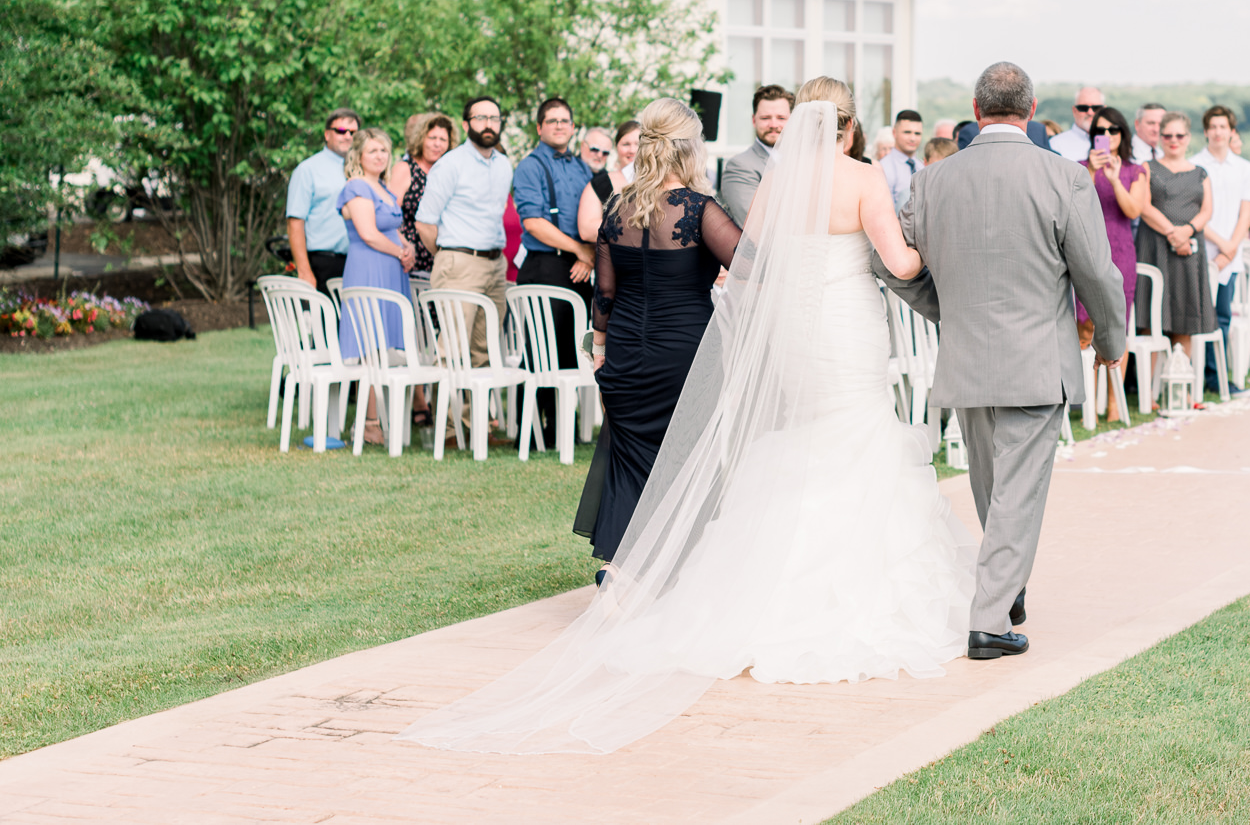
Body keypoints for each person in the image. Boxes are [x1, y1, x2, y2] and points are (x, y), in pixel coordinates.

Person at [407, 80, 974, 756]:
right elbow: (877, 261)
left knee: (764, 442)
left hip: (726, 345)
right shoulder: (853, 181)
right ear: (850, 130)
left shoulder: (740, 190)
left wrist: (609, 339)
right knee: (845, 432)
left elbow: (679, 277)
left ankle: (675, 576)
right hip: (810, 331)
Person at [878, 60, 1127, 662]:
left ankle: (1004, 588)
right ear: (1033, 110)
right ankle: (990, 619)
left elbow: (893, 262)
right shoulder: (1062, 176)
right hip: (1038, 358)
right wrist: (1112, 343)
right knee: (1015, 490)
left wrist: (945, 308)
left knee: (993, 484)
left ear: (976, 106)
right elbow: (1097, 271)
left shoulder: (934, 180)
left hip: (966, 356)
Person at [581, 98, 743, 564]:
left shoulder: (616, 208)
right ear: (689, 151)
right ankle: (675, 565)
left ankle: (621, 566)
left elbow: (604, 292)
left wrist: (601, 347)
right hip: (684, 355)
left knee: (631, 460)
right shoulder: (699, 210)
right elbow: (752, 265)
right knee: (685, 458)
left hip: (627, 351)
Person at [416, 97, 515, 376]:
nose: (488, 124)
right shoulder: (450, 164)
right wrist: (448, 256)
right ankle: (448, 422)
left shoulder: (504, 165)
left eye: (494, 119)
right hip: (459, 264)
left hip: (495, 266)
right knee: (453, 351)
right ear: (466, 123)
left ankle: (473, 421)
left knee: (484, 351)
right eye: (480, 118)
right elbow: (424, 223)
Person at [336, 127, 414, 446]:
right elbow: (368, 233)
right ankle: (367, 424)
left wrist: (406, 249)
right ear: (358, 156)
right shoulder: (356, 186)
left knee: (382, 349)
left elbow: (394, 228)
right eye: (372, 151)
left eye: (383, 150)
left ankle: (379, 420)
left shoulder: (381, 186)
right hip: (369, 270)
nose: (380, 156)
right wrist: (399, 251)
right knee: (370, 349)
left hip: (391, 270)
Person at [1074, 107, 1148, 421]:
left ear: (1123, 134)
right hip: (1084, 251)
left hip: (1119, 252)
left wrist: (1116, 180)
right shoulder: (1077, 168)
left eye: (1113, 130)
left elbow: (1133, 211)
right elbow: (1073, 204)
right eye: (1100, 131)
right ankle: (1087, 401)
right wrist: (1091, 171)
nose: (1106, 136)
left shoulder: (1136, 170)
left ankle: (1115, 403)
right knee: (1082, 325)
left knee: (1117, 327)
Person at [514, 97, 596, 370]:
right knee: (541, 358)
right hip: (544, 266)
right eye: (552, 121)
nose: (559, 126)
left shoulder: (582, 167)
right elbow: (534, 223)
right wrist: (579, 249)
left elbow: (595, 217)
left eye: (564, 121)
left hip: (579, 268)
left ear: (573, 128)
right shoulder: (530, 166)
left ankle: (565, 414)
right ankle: (532, 414)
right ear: (539, 128)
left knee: (573, 356)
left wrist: (588, 256)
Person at [1137, 112, 1213, 394]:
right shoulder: (1147, 168)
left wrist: (1187, 231)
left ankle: (1179, 387)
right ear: (1160, 137)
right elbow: (1143, 206)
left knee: (1185, 318)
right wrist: (1173, 232)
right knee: (1152, 320)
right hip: (1155, 248)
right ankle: (1149, 392)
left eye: (1179, 135)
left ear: (1188, 138)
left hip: (1188, 252)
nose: (1173, 141)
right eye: (1167, 135)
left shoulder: (1200, 172)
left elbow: (1207, 210)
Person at [1191, 105, 1250, 397]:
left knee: (1222, 318)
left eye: (1223, 127)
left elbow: (1246, 213)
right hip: (1201, 252)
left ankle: (1218, 377)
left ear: (1232, 131)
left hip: (1230, 255)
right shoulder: (1194, 165)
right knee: (1197, 317)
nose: (1218, 132)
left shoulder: (1244, 168)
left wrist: (1230, 249)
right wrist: (1220, 245)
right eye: (1213, 127)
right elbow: (1193, 212)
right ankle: (1196, 375)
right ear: (1206, 131)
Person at [285, 108, 359, 288]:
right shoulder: (308, 170)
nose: (348, 136)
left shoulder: (362, 169)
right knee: (325, 317)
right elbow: (295, 222)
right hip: (322, 264)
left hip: (357, 263)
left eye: (353, 132)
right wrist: (304, 271)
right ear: (327, 134)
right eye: (341, 131)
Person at [388, 112, 453, 280]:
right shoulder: (404, 169)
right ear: (420, 138)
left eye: (443, 140)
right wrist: (403, 249)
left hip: (443, 264)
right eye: (432, 138)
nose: (437, 144)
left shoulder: (449, 174)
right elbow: (388, 217)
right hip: (409, 261)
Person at [718, 85, 792, 226]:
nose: (773, 124)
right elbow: (754, 227)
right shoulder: (739, 166)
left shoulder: (805, 161)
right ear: (754, 120)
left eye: (781, 118)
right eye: (765, 118)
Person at [879, 109, 925, 210]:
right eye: (907, 132)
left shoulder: (922, 166)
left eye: (917, 133)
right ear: (894, 133)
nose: (913, 138)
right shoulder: (883, 168)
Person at [1050, 86, 1106, 163]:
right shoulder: (1056, 145)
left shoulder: (1117, 142)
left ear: (1104, 110)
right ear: (1074, 111)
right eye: (1083, 108)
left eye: (1096, 108)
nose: (1090, 112)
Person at [611, 119, 640, 187]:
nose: (632, 150)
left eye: (638, 144)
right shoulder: (603, 183)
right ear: (616, 146)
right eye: (626, 144)